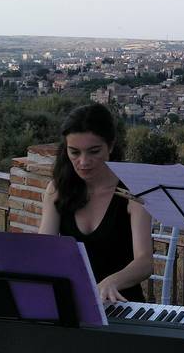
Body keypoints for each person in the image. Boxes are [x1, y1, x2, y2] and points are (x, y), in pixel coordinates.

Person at [39, 103, 152, 304]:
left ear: (111, 146)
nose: (83, 162)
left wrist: (111, 282)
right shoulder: (58, 189)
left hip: (123, 304)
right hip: (74, 301)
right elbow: (44, 250)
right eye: (74, 152)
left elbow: (144, 262)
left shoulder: (132, 191)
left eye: (94, 151)